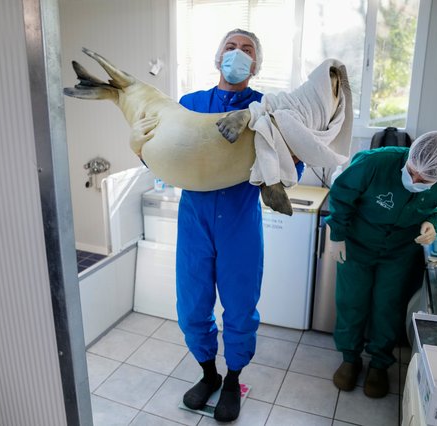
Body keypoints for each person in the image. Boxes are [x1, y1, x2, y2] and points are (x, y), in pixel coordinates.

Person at [174, 29, 302, 422]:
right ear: (218, 57)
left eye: (247, 50)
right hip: (194, 220)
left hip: (240, 223)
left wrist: (274, 165)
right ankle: (208, 374)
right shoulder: (190, 105)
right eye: (231, 47)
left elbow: (292, 164)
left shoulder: (268, 109)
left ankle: (233, 379)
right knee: (192, 304)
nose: (238, 54)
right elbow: (166, 148)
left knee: (240, 308)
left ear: (256, 65)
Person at [325, 131, 437, 398]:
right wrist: (337, 236)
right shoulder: (375, 163)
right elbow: (341, 195)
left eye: (424, 180)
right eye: (412, 172)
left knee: (388, 306)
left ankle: (379, 363)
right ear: (409, 157)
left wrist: (432, 223)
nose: (414, 180)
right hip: (357, 244)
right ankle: (350, 357)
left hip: (400, 251)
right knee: (351, 301)